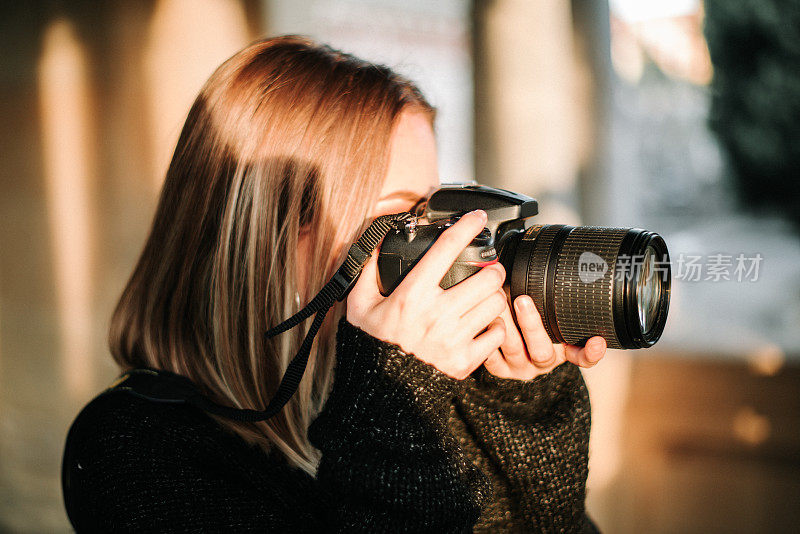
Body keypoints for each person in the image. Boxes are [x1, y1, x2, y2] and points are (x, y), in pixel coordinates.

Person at [61, 36, 607, 533]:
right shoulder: (132, 447)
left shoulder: (408, 389)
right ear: (272, 236)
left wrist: (516, 402)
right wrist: (395, 400)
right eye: (402, 219)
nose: (441, 247)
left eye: (435, 213)